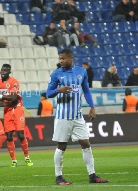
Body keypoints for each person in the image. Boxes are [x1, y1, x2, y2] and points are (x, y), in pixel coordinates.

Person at [46, 49, 108, 185]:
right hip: (63, 116)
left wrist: (92, 106)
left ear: (71, 58)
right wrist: (58, 90)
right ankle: (58, 177)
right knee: (61, 145)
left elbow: (86, 90)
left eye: (63, 58)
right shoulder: (56, 74)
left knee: (86, 143)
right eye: (60, 58)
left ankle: (92, 176)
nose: (61, 61)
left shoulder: (81, 72)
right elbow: (48, 93)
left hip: (77, 115)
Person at [0, 64, 33, 167]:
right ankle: (14, 160)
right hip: (7, 110)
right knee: (9, 136)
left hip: (17, 109)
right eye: (2, 70)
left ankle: (26, 157)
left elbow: (13, 98)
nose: (3, 72)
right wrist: (6, 103)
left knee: (21, 135)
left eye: (5, 70)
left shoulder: (14, 82)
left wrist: (0, 97)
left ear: (9, 72)